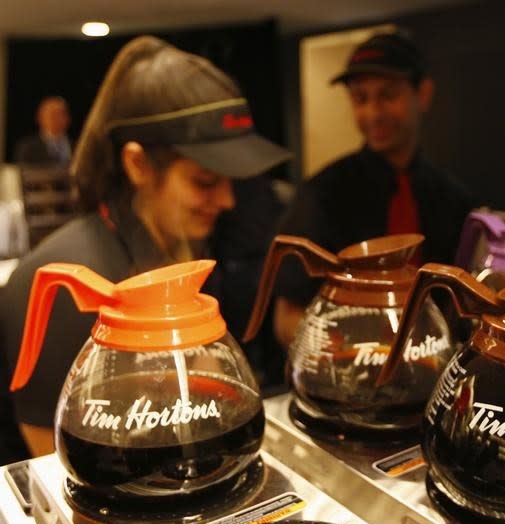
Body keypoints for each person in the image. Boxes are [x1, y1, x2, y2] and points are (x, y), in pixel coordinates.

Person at [0, 36, 290, 458]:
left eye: (232, 182)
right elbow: (55, 464)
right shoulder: (68, 282)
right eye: (205, 182)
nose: (227, 201)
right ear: (137, 164)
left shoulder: (185, 250)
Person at [272, 31, 473, 348]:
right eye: (360, 98)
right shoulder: (322, 193)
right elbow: (287, 316)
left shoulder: (454, 199)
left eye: (387, 96)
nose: (373, 114)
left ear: (423, 93)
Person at [13, 96, 72, 167]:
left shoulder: (77, 146)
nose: (57, 119)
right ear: (40, 118)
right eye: (53, 114)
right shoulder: (27, 148)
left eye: (61, 114)